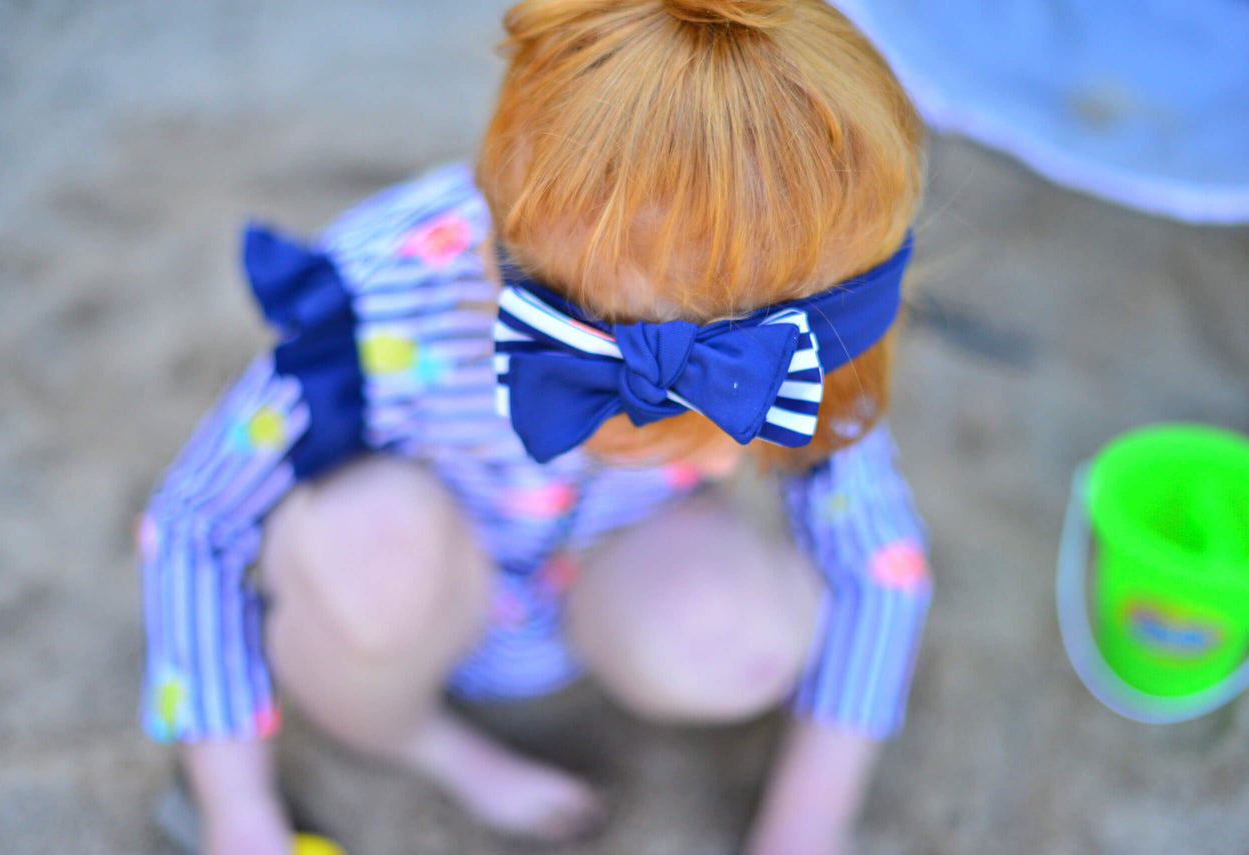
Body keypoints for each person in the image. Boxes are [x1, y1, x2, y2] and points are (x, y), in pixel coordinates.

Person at [137, 1, 934, 853]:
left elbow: (877, 561)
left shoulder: (786, 336)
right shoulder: (382, 305)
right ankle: (433, 747)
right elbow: (197, 524)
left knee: (747, 641)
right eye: (652, 412)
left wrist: (809, 823)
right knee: (371, 546)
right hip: (405, 613)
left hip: (611, 584)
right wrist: (239, 814)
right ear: (498, 235)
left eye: (712, 412)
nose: (693, 430)